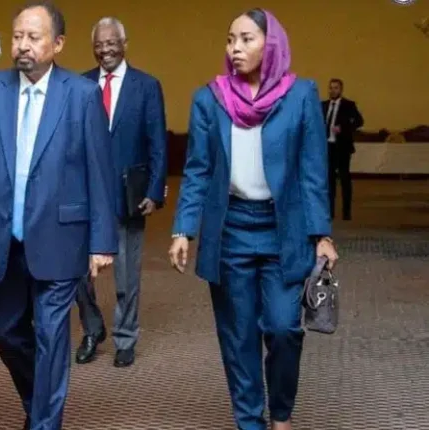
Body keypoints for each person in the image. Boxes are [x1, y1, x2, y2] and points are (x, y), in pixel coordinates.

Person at [0, 2, 118, 429]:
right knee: (9, 335)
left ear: (58, 44)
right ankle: (39, 406)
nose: (23, 45)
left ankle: (44, 423)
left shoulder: (81, 95)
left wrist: (102, 241)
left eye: (33, 37)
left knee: (52, 337)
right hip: (0, 239)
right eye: (18, 36)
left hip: (60, 236)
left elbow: (100, 171)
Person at [167, 9, 338, 430]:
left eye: (246, 39)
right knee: (238, 335)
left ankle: (280, 413)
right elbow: (198, 170)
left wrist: (322, 234)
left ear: (270, 44)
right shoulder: (210, 98)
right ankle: (249, 422)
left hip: (284, 231)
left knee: (283, 328)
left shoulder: (300, 95)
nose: (235, 48)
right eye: (230, 40)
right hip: (231, 230)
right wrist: (183, 228)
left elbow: (313, 171)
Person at [76, 16, 167, 367]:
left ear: (124, 44)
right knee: (77, 272)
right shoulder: (80, 84)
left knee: (126, 274)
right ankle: (92, 328)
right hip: (85, 196)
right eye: (99, 44)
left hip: (129, 195)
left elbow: (157, 143)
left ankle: (125, 337)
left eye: (111, 43)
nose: (105, 50)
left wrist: (155, 191)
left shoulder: (147, 86)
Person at [322, 78, 363, 221]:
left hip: (343, 147)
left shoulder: (348, 105)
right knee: (329, 180)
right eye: (331, 88)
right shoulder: (323, 105)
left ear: (341, 90)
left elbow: (359, 121)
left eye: (336, 88)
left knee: (345, 179)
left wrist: (343, 128)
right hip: (328, 147)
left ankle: (346, 212)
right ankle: (330, 211)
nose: (333, 90)